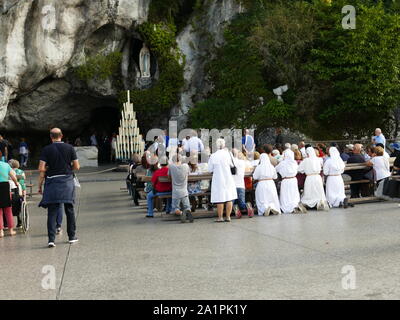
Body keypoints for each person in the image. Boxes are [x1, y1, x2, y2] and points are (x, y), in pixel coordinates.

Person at [38, 128, 80, 248]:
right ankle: (71, 237)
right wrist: (67, 169)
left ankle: (51, 239)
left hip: (52, 181)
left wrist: (49, 169)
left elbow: (41, 168)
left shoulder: (46, 149)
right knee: (69, 209)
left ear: (51, 137)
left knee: (52, 212)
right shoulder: (70, 148)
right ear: (61, 135)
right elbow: (77, 166)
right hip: (67, 181)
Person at [208, 138, 237, 222]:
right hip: (228, 177)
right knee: (229, 197)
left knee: (219, 198)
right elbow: (232, 165)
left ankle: (220, 217)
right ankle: (228, 216)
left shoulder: (213, 156)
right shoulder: (228, 154)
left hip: (218, 178)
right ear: (224, 145)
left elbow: (210, 169)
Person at [276, 149, 306, 214]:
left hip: (285, 180)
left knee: (286, 195)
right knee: (294, 194)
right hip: (293, 180)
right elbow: (298, 170)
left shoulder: (282, 163)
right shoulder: (294, 163)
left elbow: (276, 169)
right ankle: (295, 206)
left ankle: (286, 208)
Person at [169, 154, 193, 223]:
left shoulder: (171, 167)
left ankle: (182, 213)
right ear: (181, 159)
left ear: (173, 160)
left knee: (175, 208)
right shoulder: (186, 166)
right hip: (184, 191)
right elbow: (189, 174)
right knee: (187, 207)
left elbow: (169, 177)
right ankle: (188, 213)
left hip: (175, 192)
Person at [0, 152, 19, 238]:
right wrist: (16, 183)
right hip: (4, 186)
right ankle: (11, 230)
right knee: (8, 209)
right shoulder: (6, 165)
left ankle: (1, 232)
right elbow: (13, 176)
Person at [232, 149, 248, 219]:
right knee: (242, 203)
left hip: (231, 185)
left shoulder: (230, 162)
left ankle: (235, 208)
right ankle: (247, 206)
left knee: (232, 202)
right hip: (241, 184)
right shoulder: (242, 162)